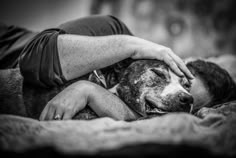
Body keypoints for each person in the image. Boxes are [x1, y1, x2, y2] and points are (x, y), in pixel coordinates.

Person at [0, 15, 194, 120]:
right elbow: (32, 61)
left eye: (186, 87)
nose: (185, 96)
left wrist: (88, 90)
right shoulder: (113, 31)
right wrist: (132, 46)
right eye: (161, 76)